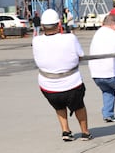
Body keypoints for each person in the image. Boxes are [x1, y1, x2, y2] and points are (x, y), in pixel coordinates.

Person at [32, 9, 93, 142]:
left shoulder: (36, 41)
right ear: (59, 24)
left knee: (59, 105)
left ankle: (65, 131)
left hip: (48, 87)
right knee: (79, 106)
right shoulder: (70, 38)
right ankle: (85, 132)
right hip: (71, 84)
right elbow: (81, 55)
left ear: (42, 26)